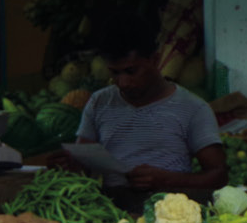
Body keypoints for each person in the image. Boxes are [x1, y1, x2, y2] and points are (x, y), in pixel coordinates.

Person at [55, 19, 226, 198]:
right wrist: (70, 165)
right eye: (114, 73)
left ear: (155, 59)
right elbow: (83, 165)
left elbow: (219, 176)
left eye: (131, 71)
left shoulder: (194, 108)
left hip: (168, 209)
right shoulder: (99, 102)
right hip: (111, 210)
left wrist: (167, 180)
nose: (123, 83)